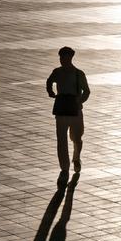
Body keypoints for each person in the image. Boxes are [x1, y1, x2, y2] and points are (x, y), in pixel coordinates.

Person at [46, 46, 91, 178]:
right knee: (61, 139)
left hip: (75, 109)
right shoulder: (57, 72)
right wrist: (50, 91)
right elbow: (49, 81)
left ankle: (76, 157)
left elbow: (87, 91)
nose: (62, 60)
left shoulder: (78, 74)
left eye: (64, 57)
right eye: (60, 57)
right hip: (61, 108)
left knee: (76, 137)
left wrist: (79, 102)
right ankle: (64, 167)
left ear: (70, 58)